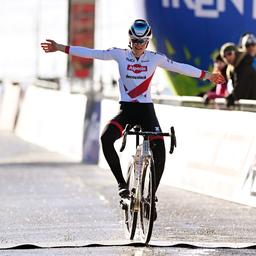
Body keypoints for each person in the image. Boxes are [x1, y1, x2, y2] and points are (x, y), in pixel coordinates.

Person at [41, 19, 225, 201]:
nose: (138, 45)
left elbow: (179, 67)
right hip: (126, 111)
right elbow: (92, 53)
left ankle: (151, 197)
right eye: (135, 41)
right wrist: (60, 47)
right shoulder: (119, 54)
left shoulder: (155, 58)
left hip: (146, 111)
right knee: (106, 139)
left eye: (143, 41)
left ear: (147, 41)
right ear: (130, 40)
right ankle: (122, 185)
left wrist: (207, 75)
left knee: (160, 151)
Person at [220, 42, 256, 106]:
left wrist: (233, 97)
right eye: (224, 56)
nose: (227, 57)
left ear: (236, 53)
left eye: (229, 53)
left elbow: (242, 85)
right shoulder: (232, 68)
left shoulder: (245, 64)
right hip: (248, 104)